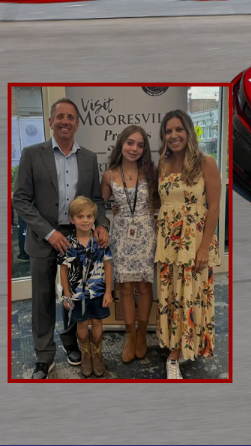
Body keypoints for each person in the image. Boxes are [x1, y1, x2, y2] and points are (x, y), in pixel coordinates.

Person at [13, 97, 109, 380]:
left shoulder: (89, 158)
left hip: (79, 240)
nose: (65, 121)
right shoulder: (33, 154)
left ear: (77, 124)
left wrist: (101, 224)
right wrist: (50, 232)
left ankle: (71, 343)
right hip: (44, 238)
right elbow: (21, 199)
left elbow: (95, 200)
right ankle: (43, 357)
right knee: (43, 298)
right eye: (60, 116)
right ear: (51, 121)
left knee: (75, 294)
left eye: (70, 117)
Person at [156, 109, 221, 379]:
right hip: (168, 242)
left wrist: (204, 247)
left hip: (194, 241)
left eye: (178, 130)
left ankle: (180, 353)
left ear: (188, 131)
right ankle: (174, 346)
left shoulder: (206, 162)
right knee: (170, 296)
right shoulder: (162, 162)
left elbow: (215, 206)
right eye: (168, 131)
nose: (173, 136)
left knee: (191, 295)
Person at [101, 125, 159, 363]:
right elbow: (100, 203)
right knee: (125, 287)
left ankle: (143, 335)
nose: (134, 149)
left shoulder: (151, 171)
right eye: (130, 143)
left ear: (144, 149)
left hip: (146, 232)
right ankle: (130, 335)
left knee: (144, 287)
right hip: (122, 233)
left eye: (140, 144)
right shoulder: (109, 174)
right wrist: (111, 209)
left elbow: (159, 202)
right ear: (121, 144)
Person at [59, 197, 113, 377]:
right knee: (81, 323)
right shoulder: (67, 244)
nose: (85, 220)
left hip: (97, 292)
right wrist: (67, 295)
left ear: (94, 218)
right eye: (80, 216)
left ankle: (97, 355)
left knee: (97, 321)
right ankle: (86, 355)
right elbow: (64, 271)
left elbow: (108, 266)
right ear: (72, 219)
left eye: (89, 216)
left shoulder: (100, 242)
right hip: (77, 295)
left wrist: (108, 292)